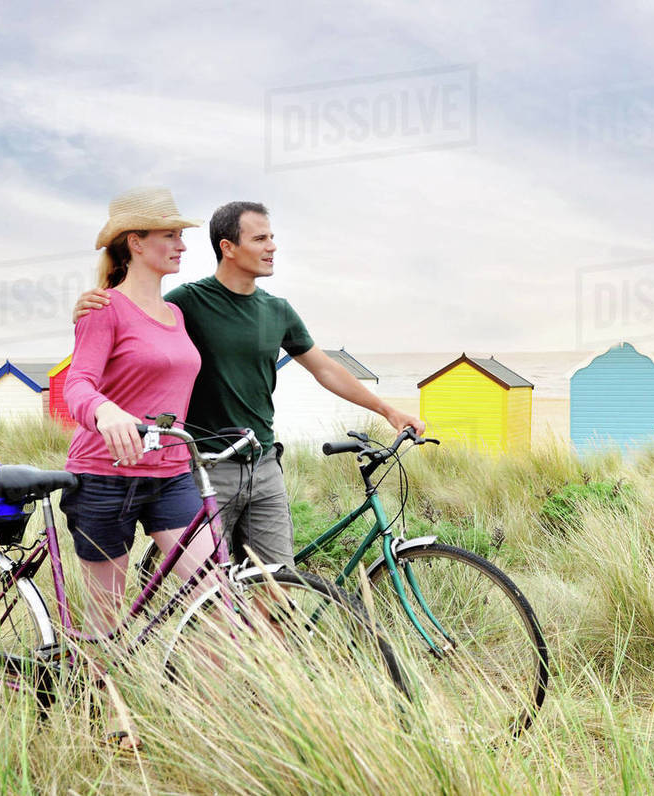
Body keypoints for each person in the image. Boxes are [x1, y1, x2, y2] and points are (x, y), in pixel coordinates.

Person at [74, 201, 423, 568]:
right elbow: (135, 318)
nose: (272, 246)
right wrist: (90, 304)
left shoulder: (278, 310)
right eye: (260, 238)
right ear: (228, 247)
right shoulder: (186, 304)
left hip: (263, 462)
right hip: (207, 466)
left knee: (277, 582)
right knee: (211, 591)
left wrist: (388, 410)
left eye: (272, 237)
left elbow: (325, 369)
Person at [62, 186, 211, 752]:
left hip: (172, 474)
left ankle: (201, 715)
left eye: (181, 234)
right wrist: (104, 410)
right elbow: (78, 383)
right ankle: (114, 722)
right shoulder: (104, 308)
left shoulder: (175, 312)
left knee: (212, 593)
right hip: (103, 478)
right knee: (107, 617)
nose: (180, 244)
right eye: (170, 234)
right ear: (136, 241)